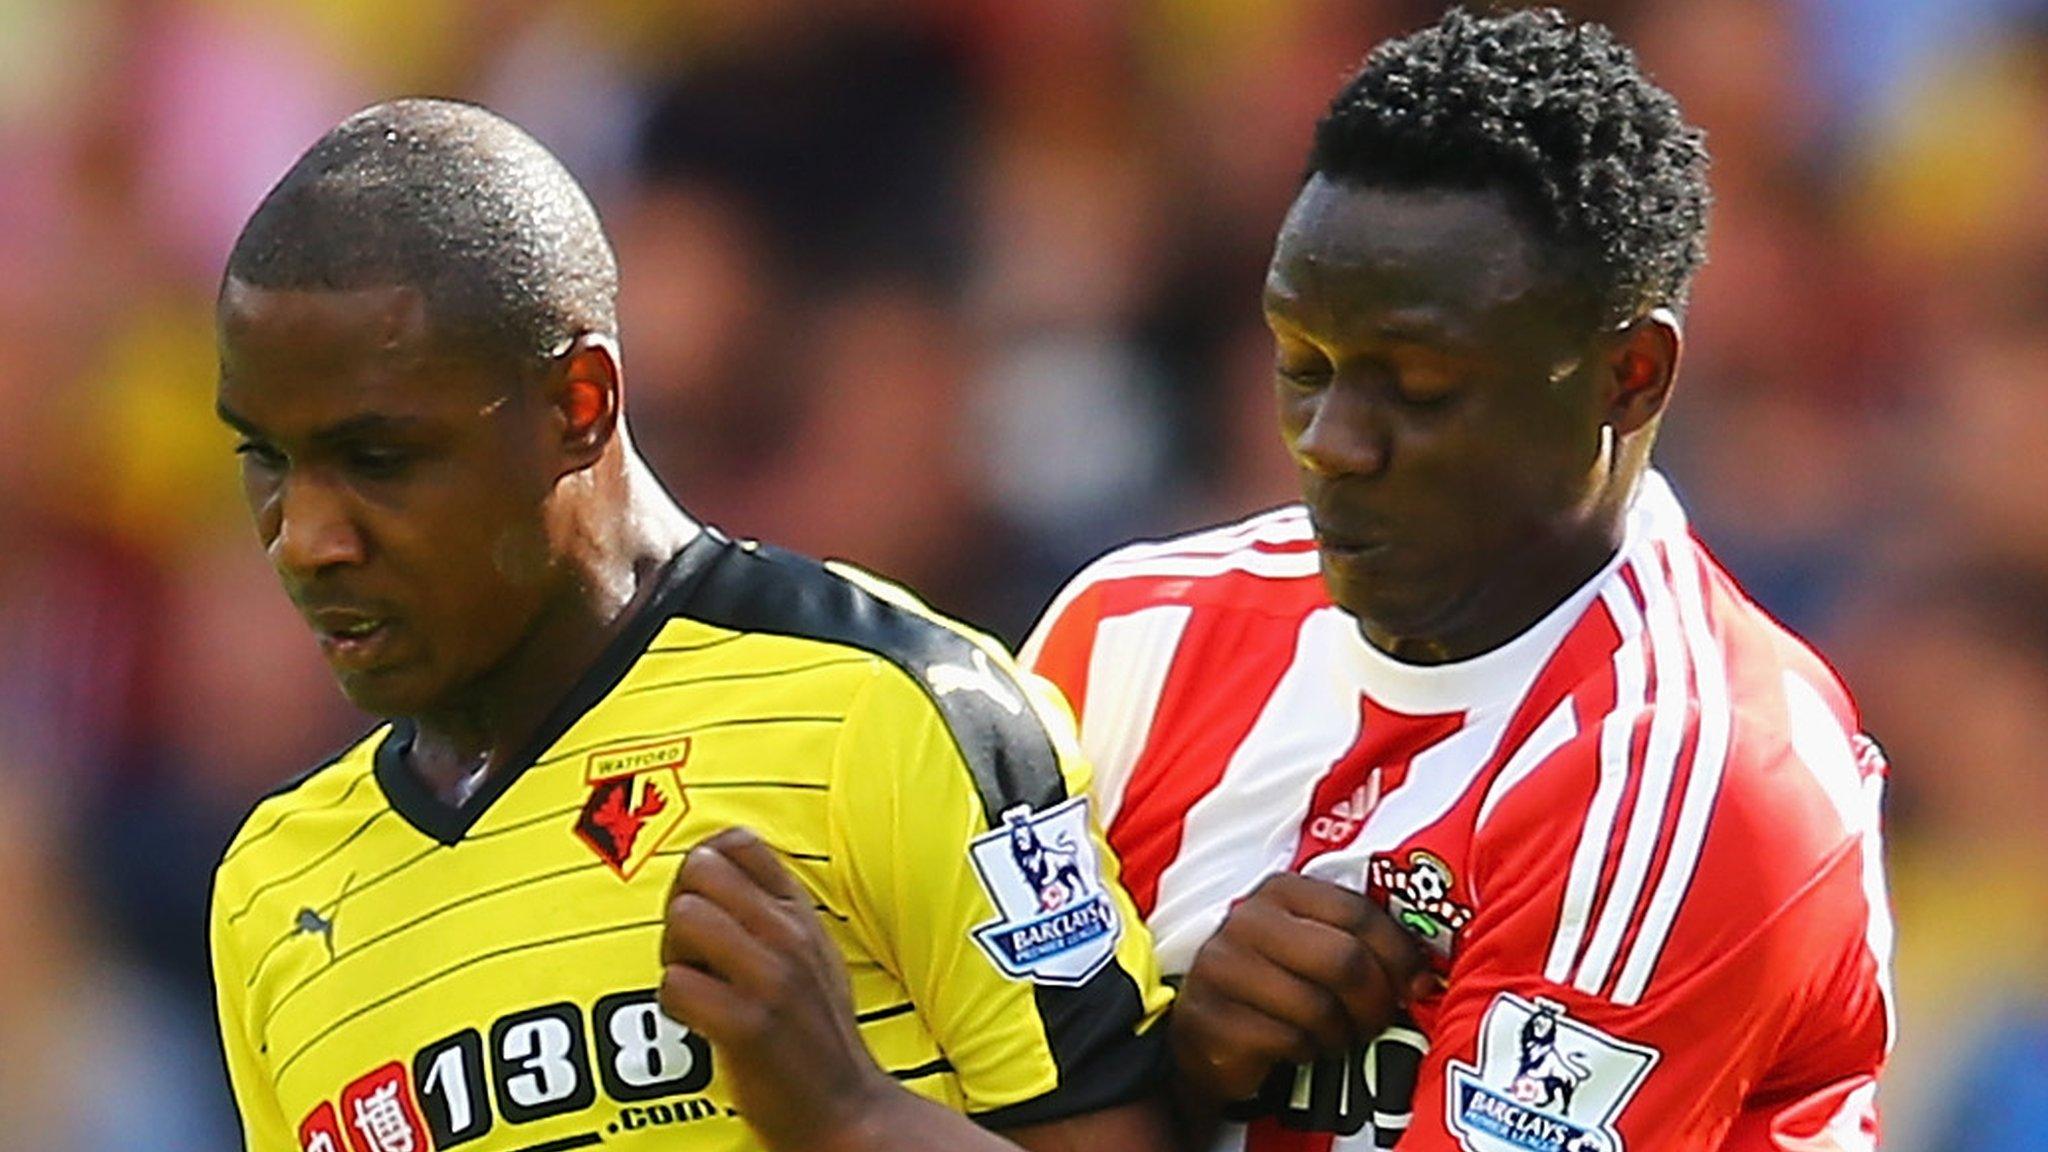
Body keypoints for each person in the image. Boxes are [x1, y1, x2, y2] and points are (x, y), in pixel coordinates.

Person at [206, 99, 1176, 1152]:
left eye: (379, 459)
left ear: (578, 406)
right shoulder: (275, 891)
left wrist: (849, 1118)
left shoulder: (890, 712)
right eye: (265, 458)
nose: (303, 539)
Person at [1021, 8, 1893, 1151]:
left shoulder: (1690, 774)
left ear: (1628, 377)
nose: (1330, 442)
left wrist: (841, 1108)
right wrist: (1173, 1065)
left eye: (1418, 387)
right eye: (1302, 367)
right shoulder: (1128, 636)